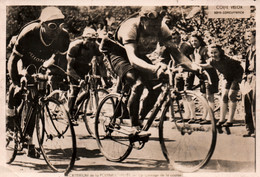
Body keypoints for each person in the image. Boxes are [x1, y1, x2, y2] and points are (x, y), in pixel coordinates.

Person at [99, 6, 200, 134]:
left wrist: (194, 67)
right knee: (137, 84)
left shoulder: (162, 28)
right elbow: (133, 60)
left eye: (157, 26)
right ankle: (134, 126)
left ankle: (141, 119)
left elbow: (177, 54)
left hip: (138, 52)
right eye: (152, 26)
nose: (155, 30)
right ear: (142, 20)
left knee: (157, 85)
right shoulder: (131, 28)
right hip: (117, 52)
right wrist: (155, 68)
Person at [7, 7, 70, 158]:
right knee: (16, 89)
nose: (56, 31)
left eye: (59, 26)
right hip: (20, 58)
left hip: (40, 61)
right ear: (42, 24)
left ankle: (29, 139)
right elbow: (13, 60)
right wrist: (17, 82)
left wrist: (60, 77)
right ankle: (9, 121)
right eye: (52, 26)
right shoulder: (29, 33)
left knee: (35, 98)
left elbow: (59, 59)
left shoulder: (63, 37)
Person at [66, 27, 106, 125]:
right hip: (73, 69)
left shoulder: (96, 47)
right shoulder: (75, 46)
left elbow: (101, 64)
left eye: (94, 40)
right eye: (89, 40)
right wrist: (79, 80)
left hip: (84, 68)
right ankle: (69, 115)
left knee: (89, 92)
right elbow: (69, 68)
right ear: (83, 38)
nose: (91, 42)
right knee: (75, 90)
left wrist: (105, 77)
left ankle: (75, 105)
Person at [199, 43, 244, 127]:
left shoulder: (227, 59)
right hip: (227, 77)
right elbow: (208, 65)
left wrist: (239, 79)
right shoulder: (212, 60)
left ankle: (230, 120)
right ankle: (222, 119)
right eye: (211, 53)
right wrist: (198, 65)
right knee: (224, 96)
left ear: (220, 52)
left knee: (231, 95)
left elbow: (239, 66)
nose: (213, 55)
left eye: (215, 52)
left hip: (236, 76)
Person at [188, 31, 219, 124]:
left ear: (200, 41)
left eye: (195, 41)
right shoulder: (196, 50)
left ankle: (211, 118)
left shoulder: (205, 50)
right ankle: (205, 116)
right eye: (192, 41)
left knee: (210, 96)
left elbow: (211, 64)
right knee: (204, 96)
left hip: (210, 76)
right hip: (202, 77)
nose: (194, 43)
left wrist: (199, 65)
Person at [242, 29, 256, 137]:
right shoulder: (248, 49)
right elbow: (246, 65)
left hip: (256, 77)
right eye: (246, 36)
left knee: (255, 103)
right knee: (247, 103)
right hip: (248, 77)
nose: (247, 38)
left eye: (249, 36)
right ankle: (249, 128)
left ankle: (256, 129)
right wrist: (244, 77)